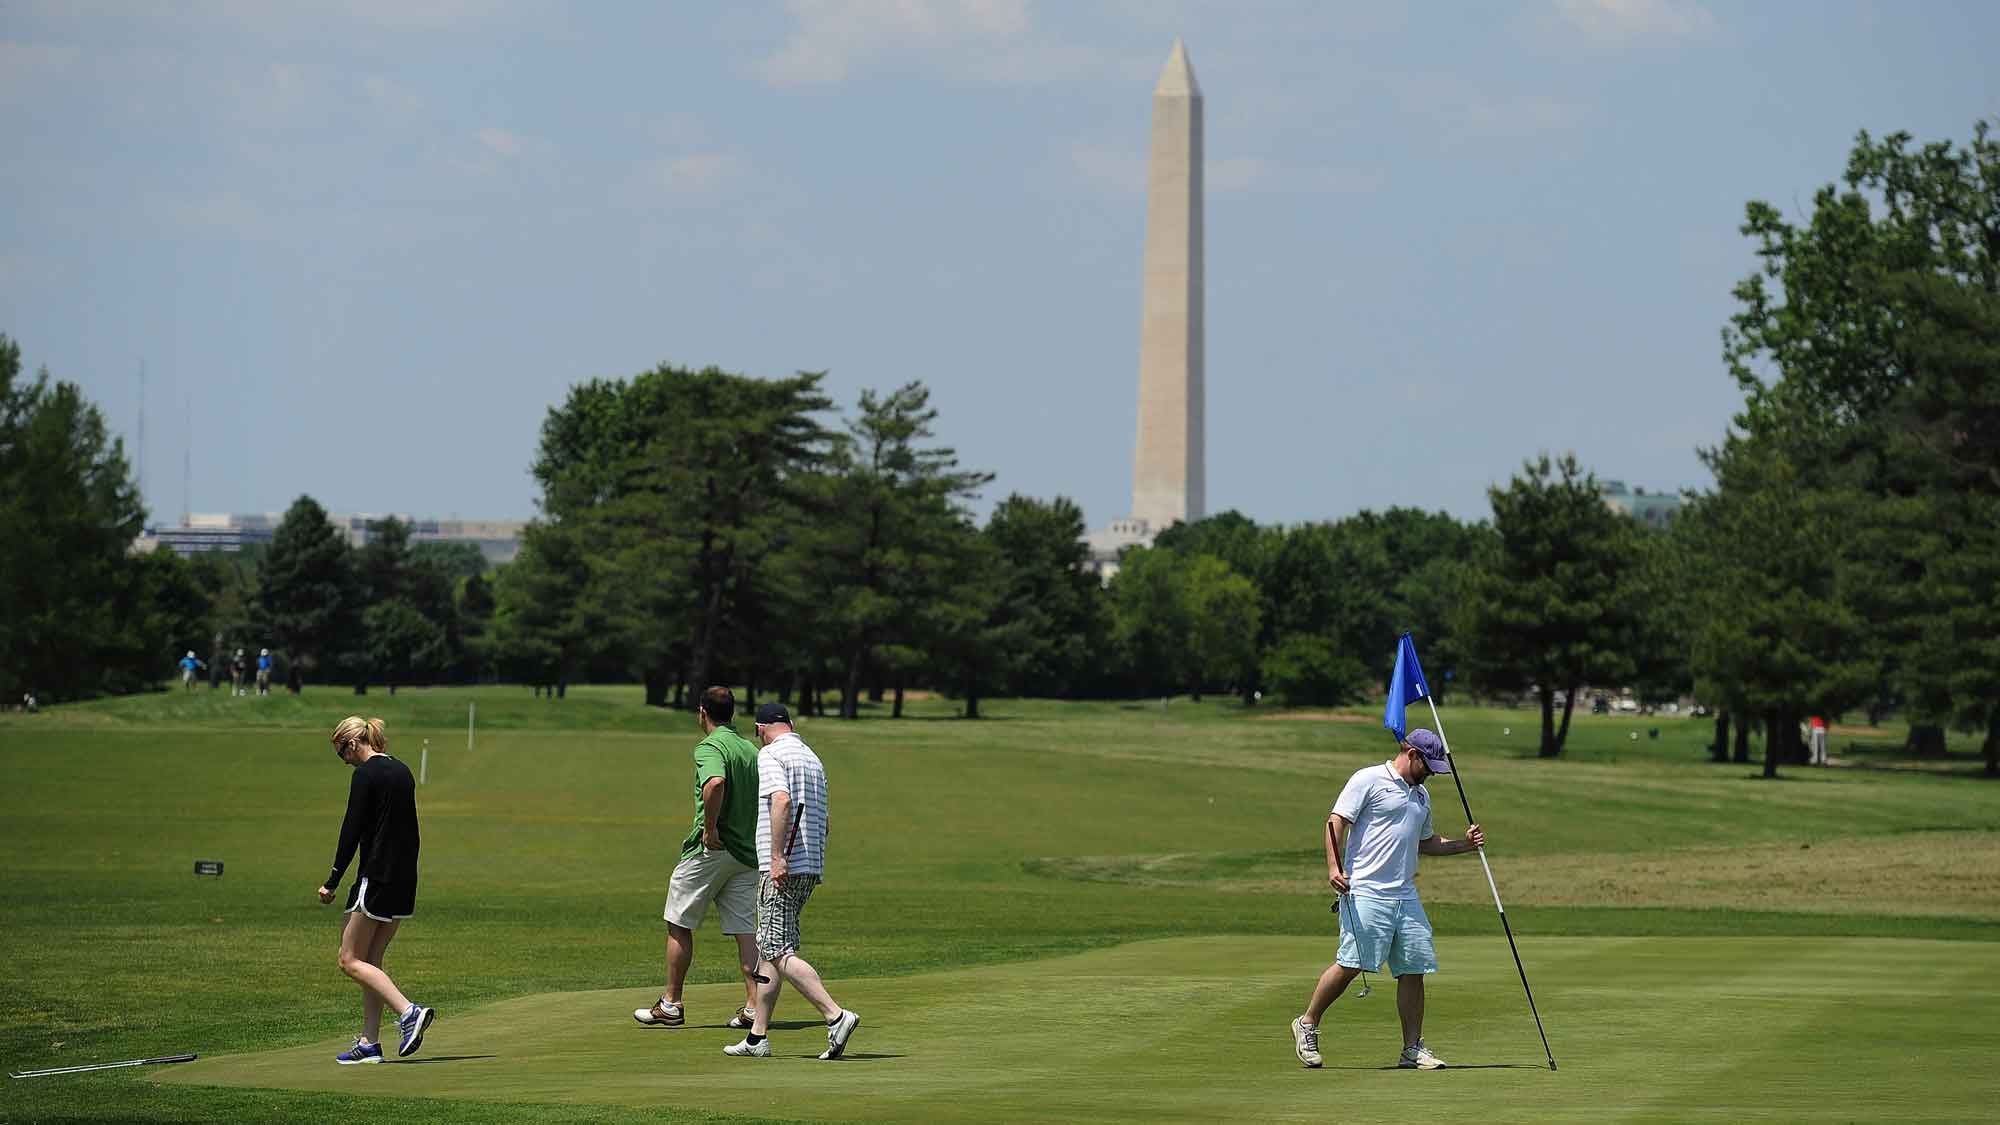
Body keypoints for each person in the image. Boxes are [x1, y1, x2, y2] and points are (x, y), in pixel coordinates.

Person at [1291, 729, 1485, 1071]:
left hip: (1405, 894)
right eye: (1428, 766)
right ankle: (1307, 1023)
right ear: (1411, 754)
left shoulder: (1421, 795)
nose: (1431, 774)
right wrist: (1334, 867)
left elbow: (1426, 843)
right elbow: (1335, 822)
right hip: (1366, 890)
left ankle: (1412, 1048)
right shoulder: (1368, 779)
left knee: (1414, 969)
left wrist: (1465, 845)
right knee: (1352, 964)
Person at [723, 703, 860, 1061]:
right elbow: (825, 821)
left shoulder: (770, 755)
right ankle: (757, 1037)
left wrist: (777, 858)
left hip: (783, 868)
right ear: (791, 724)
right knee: (771, 947)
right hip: (810, 864)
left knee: (777, 950)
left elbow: (781, 801)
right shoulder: (812, 758)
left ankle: (836, 1015)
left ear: (760, 729)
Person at [633, 686, 764, 1031]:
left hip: (712, 850)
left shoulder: (710, 746)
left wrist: (709, 829)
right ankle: (755, 1006)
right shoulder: (750, 749)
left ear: (702, 712)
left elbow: (715, 783)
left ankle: (671, 1003)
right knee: (745, 931)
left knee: (679, 921)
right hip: (746, 854)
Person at [316, 716, 436, 1064]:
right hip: (403, 878)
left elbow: (350, 831)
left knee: (348, 959)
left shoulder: (365, 775)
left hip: (377, 876)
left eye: (342, 752)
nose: (344, 760)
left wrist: (332, 881)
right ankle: (370, 1042)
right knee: (371, 960)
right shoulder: (402, 770)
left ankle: (408, 1012)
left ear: (353, 743)